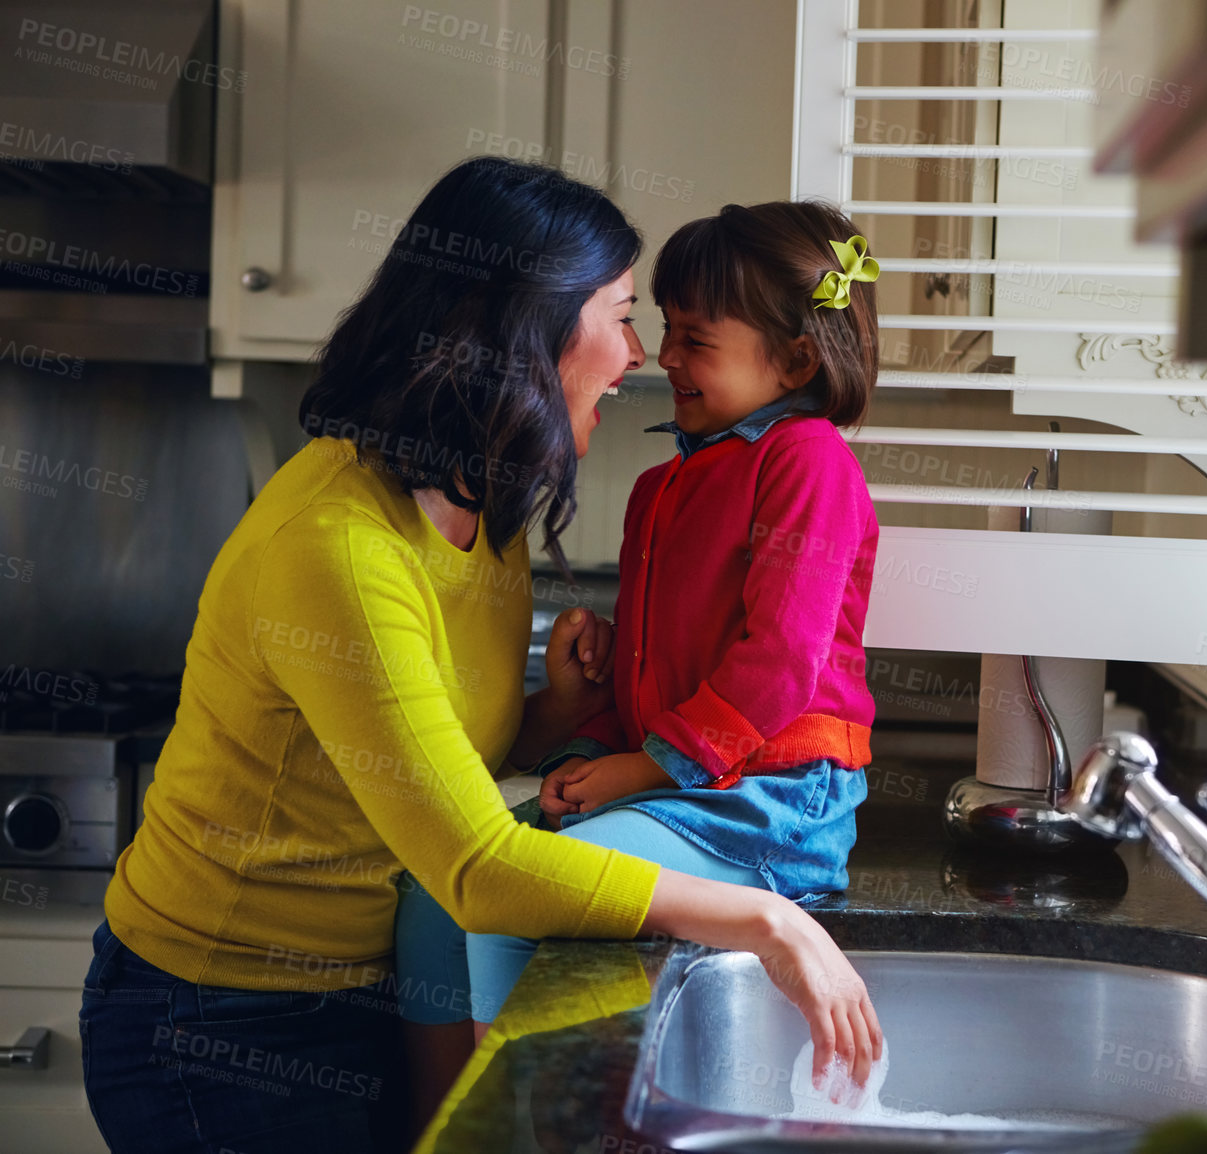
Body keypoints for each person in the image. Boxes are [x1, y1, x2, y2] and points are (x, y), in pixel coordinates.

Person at [78, 158, 881, 1154]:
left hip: (356, 991)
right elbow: (477, 868)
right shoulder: (337, 544)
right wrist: (767, 921)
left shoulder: (479, 502)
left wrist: (561, 709)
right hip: (219, 1022)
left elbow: (433, 753)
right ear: (525, 332)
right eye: (624, 315)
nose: (637, 354)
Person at [395, 199, 885, 1067]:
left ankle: (510, 1128)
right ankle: (449, 1127)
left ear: (796, 357)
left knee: (526, 894)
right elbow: (673, 675)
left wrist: (642, 767)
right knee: (437, 896)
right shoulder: (660, 489)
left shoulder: (809, 459)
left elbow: (779, 663)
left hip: (770, 805)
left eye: (698, 340)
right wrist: (604, 694)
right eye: (666, 329)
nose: (665, 357)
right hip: (684, 789)